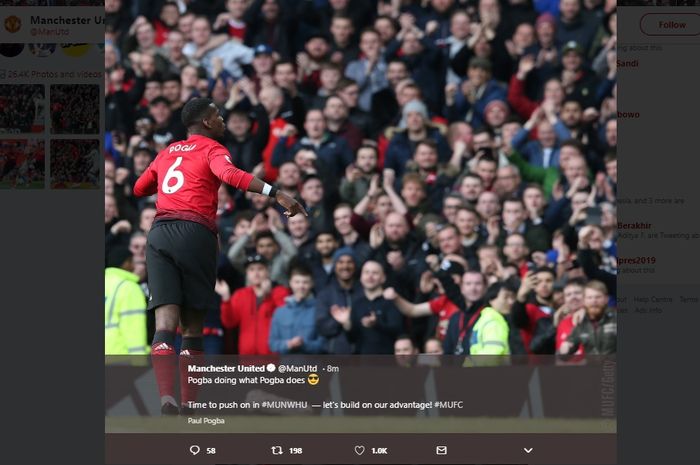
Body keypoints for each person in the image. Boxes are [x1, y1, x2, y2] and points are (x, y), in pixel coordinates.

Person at [133, 97, 305, 415]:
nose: (223, 120)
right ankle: (188, 404)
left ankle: (166, 399)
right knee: (193, 326)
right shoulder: (213, 149)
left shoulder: (167, 151)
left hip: (158, 235)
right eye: (219, 116)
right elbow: (230, 175)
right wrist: (276, 192)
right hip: (195, 232)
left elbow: (139, 188)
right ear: (208, 123)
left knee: (164, 324)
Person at [330, 261, 404, 354]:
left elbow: (398, 331)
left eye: (375, 273)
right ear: (361, 277)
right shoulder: (357, 304)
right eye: (366, 272)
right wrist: (346, 323)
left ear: (383, 278)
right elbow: (352, 339)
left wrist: (376, 324)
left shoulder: (391, 301)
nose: (370, 276)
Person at [268, 265, 326, 354]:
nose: (301, 286)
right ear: (290, 283)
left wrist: (304, 345)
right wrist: (288, 344)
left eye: (305, 282)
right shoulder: (279, 312)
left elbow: (323, 344)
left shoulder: (319, 310)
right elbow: (272, 344)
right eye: (297, 282)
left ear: (312, 284)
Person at [104, 246, 149, 355]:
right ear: (126, 263)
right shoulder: (129, 288)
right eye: (132, 262)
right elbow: (134, 327)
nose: (134, 266)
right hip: (122, 355)